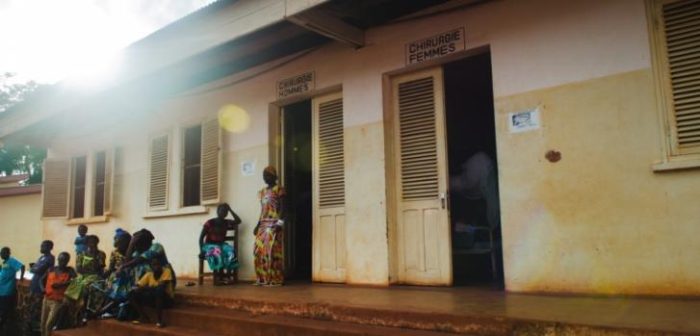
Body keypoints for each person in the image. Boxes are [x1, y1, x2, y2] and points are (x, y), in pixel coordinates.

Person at [253, 166, 286, 286]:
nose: (265, 178)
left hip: (274, 224)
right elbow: (262, 210)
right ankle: (262, 278)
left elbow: (283, 208)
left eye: (267, 175)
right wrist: (257, 225)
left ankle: (275, 279)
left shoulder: (279, 189)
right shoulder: (262, 192)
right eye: (264, 176)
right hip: (263, 224)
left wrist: (280, 223)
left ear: (273, 176)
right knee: (258, 251)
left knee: (271, 251)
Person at [64, 235, 105, 324]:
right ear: (86, 244)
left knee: (85, 288)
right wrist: (88, 268)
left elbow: (99, 268)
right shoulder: (81, 254)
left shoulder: (100, 254)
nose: (92, 244)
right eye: (90, 242)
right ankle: (71, 315)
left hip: (94, 276)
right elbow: (79, 269)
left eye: (94, 242)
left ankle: (85, 312)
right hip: (82, 276)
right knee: (70, 292)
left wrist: (93, 257)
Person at [199, 203, 241, 285]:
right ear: (217, 211)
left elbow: (238, 221)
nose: (223, 213)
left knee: (230, 250)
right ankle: (218, 277)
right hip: (208, 245)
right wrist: (201, 251)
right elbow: (201, 238)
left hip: (221, 244)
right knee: (217, 251)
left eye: (225, 211)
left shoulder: (226, 222)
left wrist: (230, 210)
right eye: (222, 211)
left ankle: (227, 276)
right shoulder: (210, 222)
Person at [129, 258, 174, 328]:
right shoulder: (149, 274)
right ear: (151, 267)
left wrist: (144, 288)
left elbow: (162, 286)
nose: (156, 267)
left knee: (159, 290)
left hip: (167, 300)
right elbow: (138, 285)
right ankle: (143, 317)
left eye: (158, 264)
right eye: (154, 265)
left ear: (161, 265)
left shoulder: (167, 271)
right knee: (132, 293)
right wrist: (137, 288)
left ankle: (159, 321)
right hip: (154, 298)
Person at [39, 252, 76, 336]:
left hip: (57, 301)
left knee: (49, 324)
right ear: (58, 260)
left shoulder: (69, 270)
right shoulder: (51, 269)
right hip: (46, 299)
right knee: (42, 323)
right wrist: (42, 289)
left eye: (64, 260)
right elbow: (41, 280)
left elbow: (76, 281)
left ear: (67, 261)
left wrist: (61, 285)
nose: (62, 262)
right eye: (60, 260)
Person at [27, 240, 55, 333]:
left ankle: (37, 330)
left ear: (50, 248)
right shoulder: (42, 257)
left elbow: (38, 269)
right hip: (33, 286)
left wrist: (34, 268)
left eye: (44, 246)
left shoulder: (50, 258)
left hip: (40, 287)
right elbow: (33, 269)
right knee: (30, 308)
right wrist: (34, 268)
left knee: (37, 310)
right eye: (41, 246)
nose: (41, 248)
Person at [0, 247, 25, 329]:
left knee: (6, 307)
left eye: (3, 253)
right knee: (2, 306)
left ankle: (5, 323)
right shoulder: (4, 262)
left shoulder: (12, 260)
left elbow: (22, 266)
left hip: (7, 289)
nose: (1, 255)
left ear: (8, 253)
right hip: (2, 288)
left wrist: (21, 278)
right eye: (1, 253)